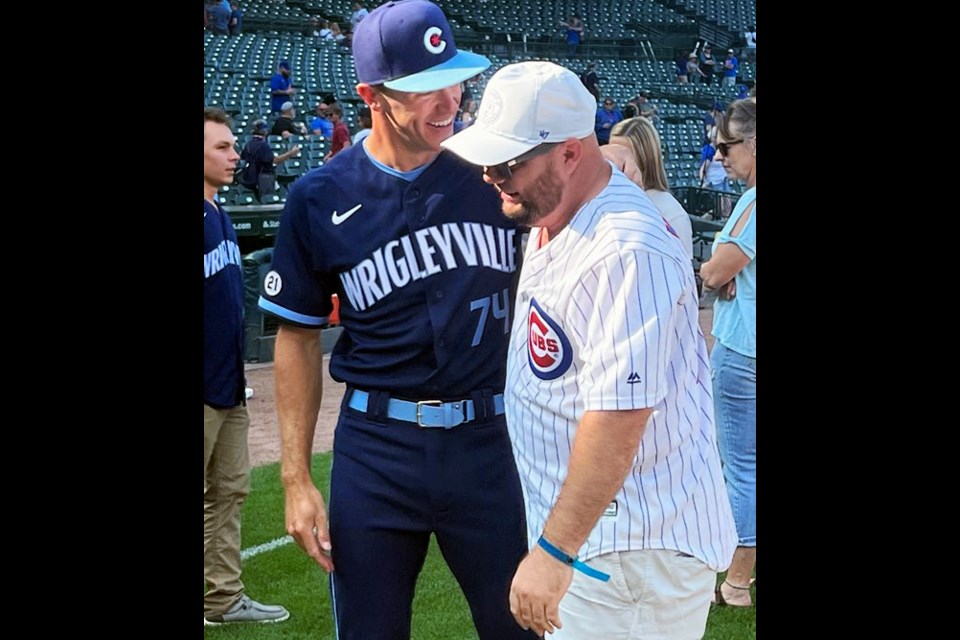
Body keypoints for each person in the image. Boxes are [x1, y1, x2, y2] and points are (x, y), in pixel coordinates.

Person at [257, 2, 538, 639]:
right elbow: (297, 337)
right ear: (370, 95)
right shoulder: (318, 196)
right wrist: (296, 480)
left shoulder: (496, 176)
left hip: (492, 440)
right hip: (376, 448)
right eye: (422, 89)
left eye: (455, 79)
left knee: (522, 625)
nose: (448, 101)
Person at [440, 60, 736, 640]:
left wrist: (554, 550)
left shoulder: (627, 246)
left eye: (508, 163)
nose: (491, 176)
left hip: (631, 553)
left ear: (570, 152)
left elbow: (619, 418)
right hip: (604, 547)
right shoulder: (557, 212)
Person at [203, 107, 290, 627]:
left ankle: (222, 599)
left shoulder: (220, 214)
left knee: (229, 493)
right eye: (222, 148)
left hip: (226, 386)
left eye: (233, 146)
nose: (236, 155)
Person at [698, 98, 757, 609]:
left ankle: (737, 581)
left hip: (746, 351)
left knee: (742, 466)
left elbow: (716, 272)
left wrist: (718, 277)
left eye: (728, 145)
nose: (721, 156)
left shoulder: (755, 201)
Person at [609, 116, 693, 257]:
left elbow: (682, 273)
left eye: (625, 156)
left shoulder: (670, 213)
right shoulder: (605, 202)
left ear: (645, 159)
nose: (615, 163)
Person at [239, 119, 301, 198]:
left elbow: (242, 156)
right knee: (267, 200)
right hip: (264, 177)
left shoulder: (249, 144)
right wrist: (291, 153)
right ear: (265, 131)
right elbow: (275, 161)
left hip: (252, 176)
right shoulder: (263, 145)